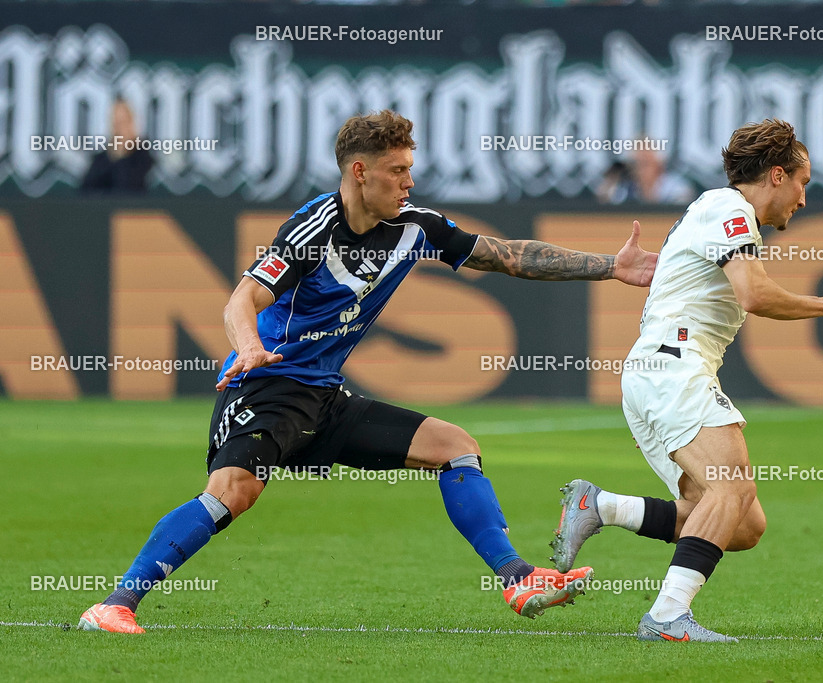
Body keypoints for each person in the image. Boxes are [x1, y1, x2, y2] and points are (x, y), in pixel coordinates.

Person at [78, 110, 658, 634]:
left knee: (455, 446)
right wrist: (249, 348)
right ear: (360, 171)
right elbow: (241, 299)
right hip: (270, 385)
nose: (409, 181)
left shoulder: (416, 227)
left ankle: (517, 577)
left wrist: (610, 267)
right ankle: (114, 605)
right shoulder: (313, 230)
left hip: (325, 399)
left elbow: (506, 255)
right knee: (232, 493)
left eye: (410, 168)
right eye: (397, 170)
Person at [550, 119, 823, 642]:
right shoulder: (729, 209)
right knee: (732, 485)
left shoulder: (718, 212)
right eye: (804, 183)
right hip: (672, 367)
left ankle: (599, 506)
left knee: (742, 525)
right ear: (779, 174)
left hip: (659, 373)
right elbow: (754, 295)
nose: (804, 200)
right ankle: (668, 615)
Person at [80, 98, 153, 194]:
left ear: (132, 122)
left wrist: (122, 151)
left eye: (123, 122)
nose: (120, 129)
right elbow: (85, 191)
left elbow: (130, 186)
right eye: (116, 123)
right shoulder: (101, 159)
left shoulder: (144, 155)